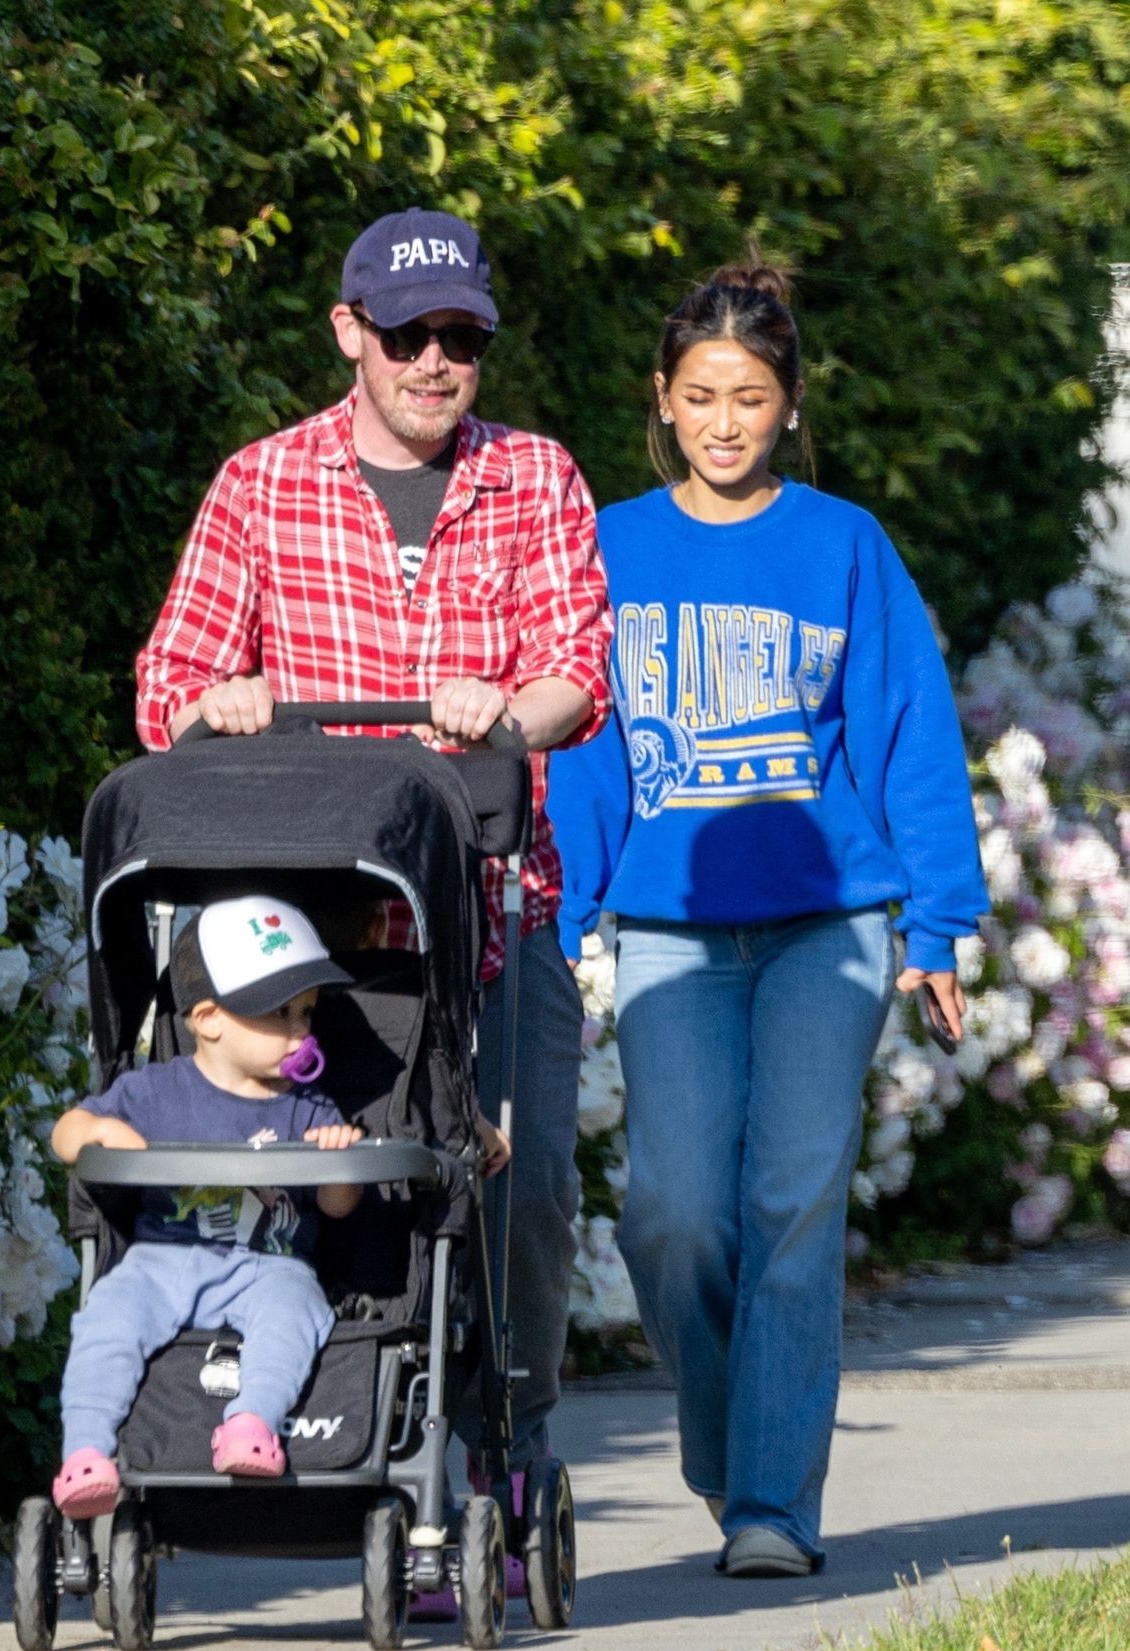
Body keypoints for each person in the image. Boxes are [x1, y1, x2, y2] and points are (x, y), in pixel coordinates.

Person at [134, 208, 612, 1510]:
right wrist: (215, 708)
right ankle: (253, 1421)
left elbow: (576, 668)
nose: (435, 363)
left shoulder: (536, 477)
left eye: (461, 337)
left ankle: (509, 1446)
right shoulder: (261, 484)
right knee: (306, 1188)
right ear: (352, 333)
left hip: (489, 918)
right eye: (409, 335)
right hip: (302, 941)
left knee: (526, 1201)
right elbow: (168, 685)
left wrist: (500, 713)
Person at [548, 263, 988, 1578]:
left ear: (792, 407)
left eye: (751, 397)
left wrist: (939, 926)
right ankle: (729, 1444)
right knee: (674, 1216)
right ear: (663, 404)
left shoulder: (844, 544)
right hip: (670, 923)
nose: (725, 421)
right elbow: (582, 752)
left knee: (792, 1206)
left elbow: (912, 733)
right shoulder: (612, 545)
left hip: (831, 926)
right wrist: (568, 910)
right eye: (701, 397)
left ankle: (770, 1508)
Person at [50, 894, 363, 1519]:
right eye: (281, 1012)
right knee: (107, 1316)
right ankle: (86, 1453)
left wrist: (341, 1158)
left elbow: (337, 1207)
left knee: (296, 1309)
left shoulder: (309, 1107)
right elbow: (65, 1133)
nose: (302, 1029)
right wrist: (97, 1135)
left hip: (267, 1264)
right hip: (163, 1257)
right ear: (210, 1018)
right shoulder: (153, 1092)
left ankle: (252, 1422)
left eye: (306, 1011)